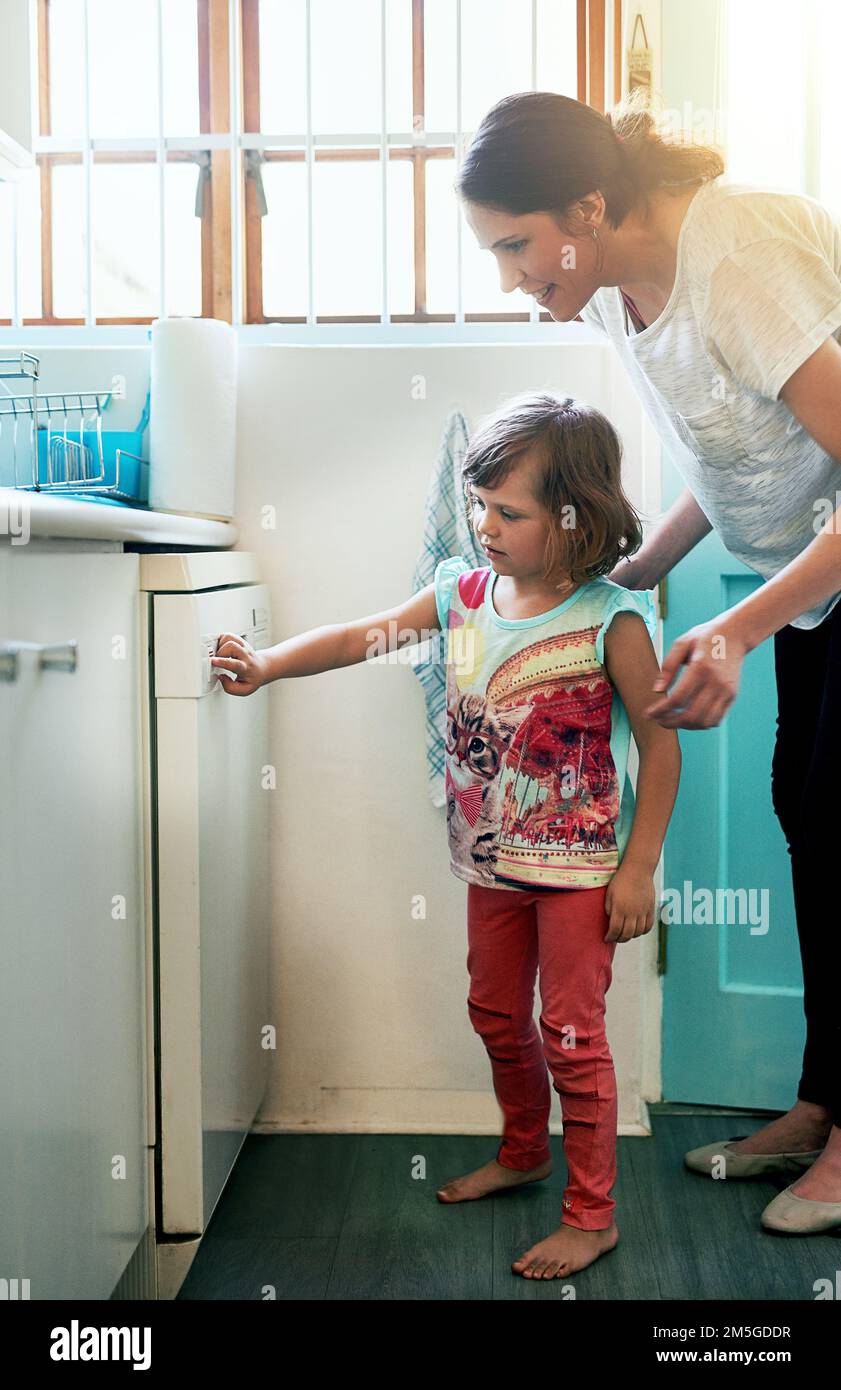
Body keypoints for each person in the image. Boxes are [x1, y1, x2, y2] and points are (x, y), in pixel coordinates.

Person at [455, 87, 841, 1233]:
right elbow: (721, 473)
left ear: (587, 203)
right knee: (809, 818)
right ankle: (820, 1106)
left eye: (516, 245)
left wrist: (736, 625)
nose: (513, 276)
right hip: (816, 582)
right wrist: (611, 587)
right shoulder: (615, 296)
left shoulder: (740, 259)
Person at [211, 390, 681, 1278]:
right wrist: (270, 664)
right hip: (490, 865)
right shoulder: (460, 595)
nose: (486, 526)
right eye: (480, 507)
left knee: (571, 1031)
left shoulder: (610, 620)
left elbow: (661, 750)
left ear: (575, 519)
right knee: (497, 1013)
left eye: (509, 512)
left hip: (582, 871)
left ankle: (592, 1213)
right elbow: (362, 636)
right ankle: (521, 1150)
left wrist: (639, 868)